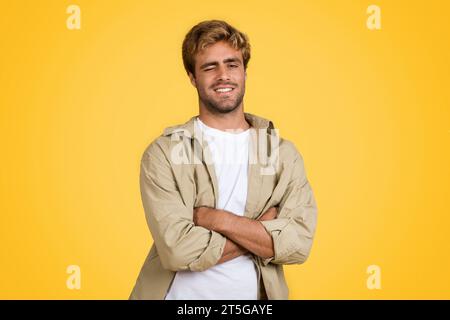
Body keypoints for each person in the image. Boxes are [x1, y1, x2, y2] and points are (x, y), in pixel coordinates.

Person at [129, 20, 317, 300]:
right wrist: (260, 231)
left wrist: (216, 219)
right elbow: (177, 251)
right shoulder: (163, 154)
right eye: (209, 67)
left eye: (232, 64)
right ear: (192, 77)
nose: (223, 75)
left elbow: (298, 243)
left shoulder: (281, 154)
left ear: (244, 71)